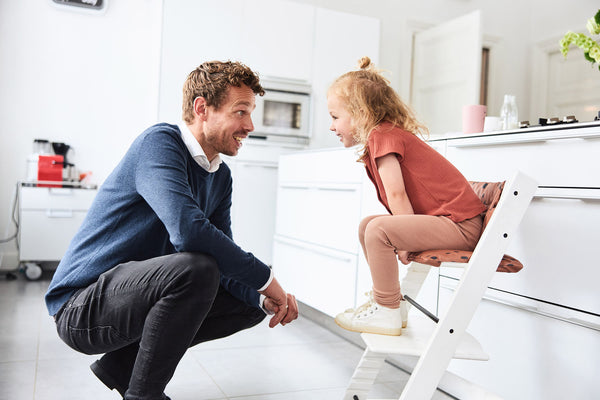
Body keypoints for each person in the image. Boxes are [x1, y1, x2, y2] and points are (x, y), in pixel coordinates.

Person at [45, 60, 298, 400]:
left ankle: (123, 367)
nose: (250, 125)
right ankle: (144, 395)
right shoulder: (159, 144)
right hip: (81, 307)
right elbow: (188, 232)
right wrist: (267, 278)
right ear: (202, 108)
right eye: (241, 112)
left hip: (132, 297)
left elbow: (222, 257)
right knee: (200, 269)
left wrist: (262, 293)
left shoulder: (219, 176)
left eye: (250, 112)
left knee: (249, 301)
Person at [327, 57, 486, 336]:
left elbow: (397, 193)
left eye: (335, 117)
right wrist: (402, 236)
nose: (332, 126)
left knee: (377, 229)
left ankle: (387, 310)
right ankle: (386, 301)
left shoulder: (383, 136)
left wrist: (403, 241)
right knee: (368, 225)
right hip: (451, 222)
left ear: (360, 112)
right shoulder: (384, 135)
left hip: (460, 226)